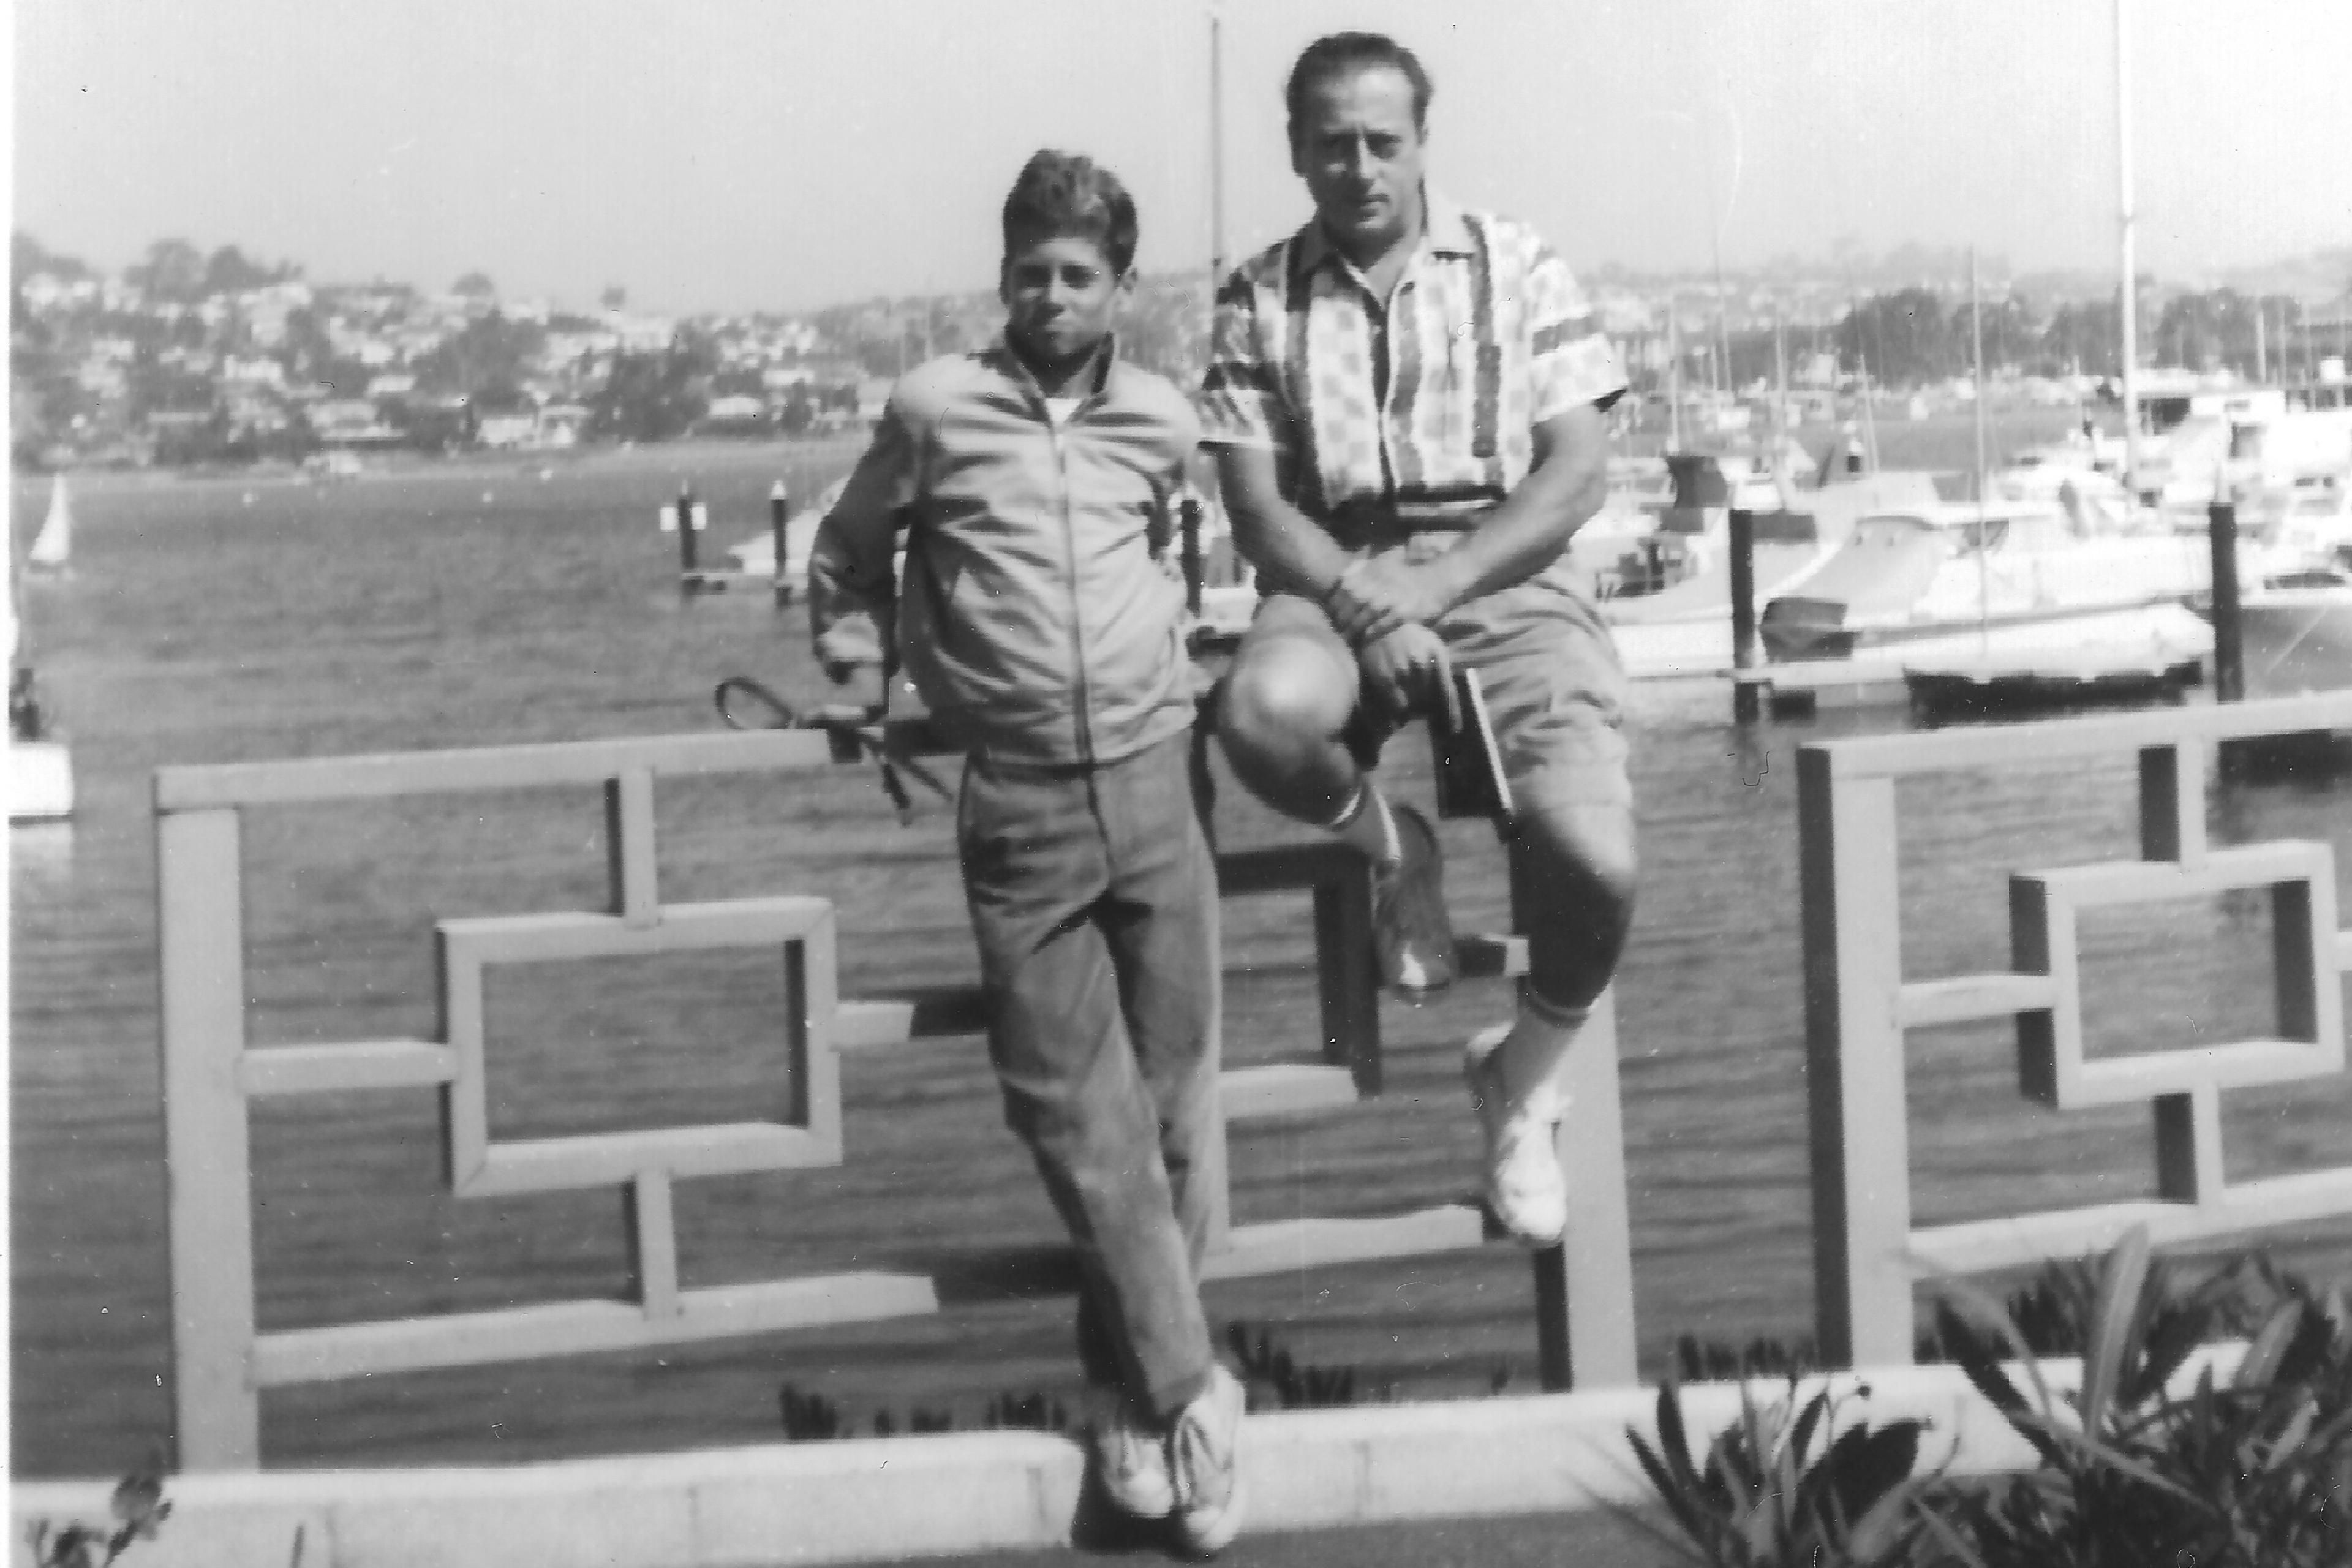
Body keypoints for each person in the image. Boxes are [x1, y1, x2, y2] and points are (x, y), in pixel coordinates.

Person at [809, 149, 1245, 1556]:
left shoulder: (1163, 420)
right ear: (1002, 280)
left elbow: (1187, 558)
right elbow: (847, 551)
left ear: (1122, 288)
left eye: (1079, 274)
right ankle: (1194, 1395)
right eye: (1030, 272)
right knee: (1075, 1112)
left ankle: (1123, 1397)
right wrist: (859, 666)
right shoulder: (938, 409)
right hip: (1020, 799)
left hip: (1161, 778)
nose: (1052, 295)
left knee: (1174, 1108)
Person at [1199, 32, 1636, 1248]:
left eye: (1383, 141)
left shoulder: (1518, 262)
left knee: (1596, 863)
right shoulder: (1256, 296)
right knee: (1259, 714)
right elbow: (1254, 506)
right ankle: (1399, 846)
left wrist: (1438, 583)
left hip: (1500, 568)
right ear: (1296, 150)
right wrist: (1361, 600)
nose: (1359, 167)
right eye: (1331, 143)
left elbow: (1578, 470)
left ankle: (1523, 1068)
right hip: (1334, 566)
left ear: (1422, 142)